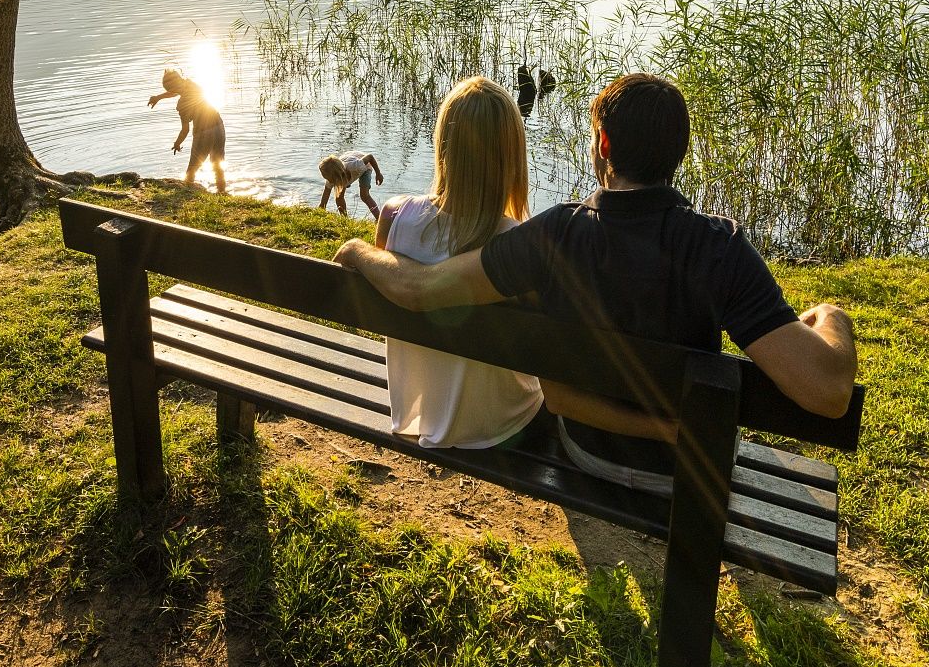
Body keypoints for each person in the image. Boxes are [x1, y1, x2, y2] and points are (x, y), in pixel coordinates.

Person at [334, 72, 856, 493]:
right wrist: (830, 315)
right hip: (685, 468)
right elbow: (829, 393)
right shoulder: (718, 247)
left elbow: (423, 291)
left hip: (587, 453)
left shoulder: (555, 235)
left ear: (603, 144)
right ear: (680, 151)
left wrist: (358, 249)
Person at [376, 78, 544, 448]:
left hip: (419, 413)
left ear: (444, 147)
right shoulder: (518, 245)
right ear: (513, 156)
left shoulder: (394, 217)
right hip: (502, 422)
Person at [148, 69, 225, 192]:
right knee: (217, 164)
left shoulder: (182, 105)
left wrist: (177, 143)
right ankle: (222, 192)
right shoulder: (191, 85)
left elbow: (185, 130)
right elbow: (176, 90)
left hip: (203, 132)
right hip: (219, 126)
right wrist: (159, 97)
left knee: (192, 169)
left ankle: (187, 192)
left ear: (170, 89)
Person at [317, 150, 385, 218]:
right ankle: (344, 218)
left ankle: (379, 218)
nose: (329, 181)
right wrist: (321, 208)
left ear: (336, 176)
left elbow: (370, 157)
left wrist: (378, 174)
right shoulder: (332, 178)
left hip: (365, 167)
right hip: (347, 159)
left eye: (329, 179)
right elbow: (325, 196)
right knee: (339, 196)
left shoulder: (355, 166)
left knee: (364, 196)